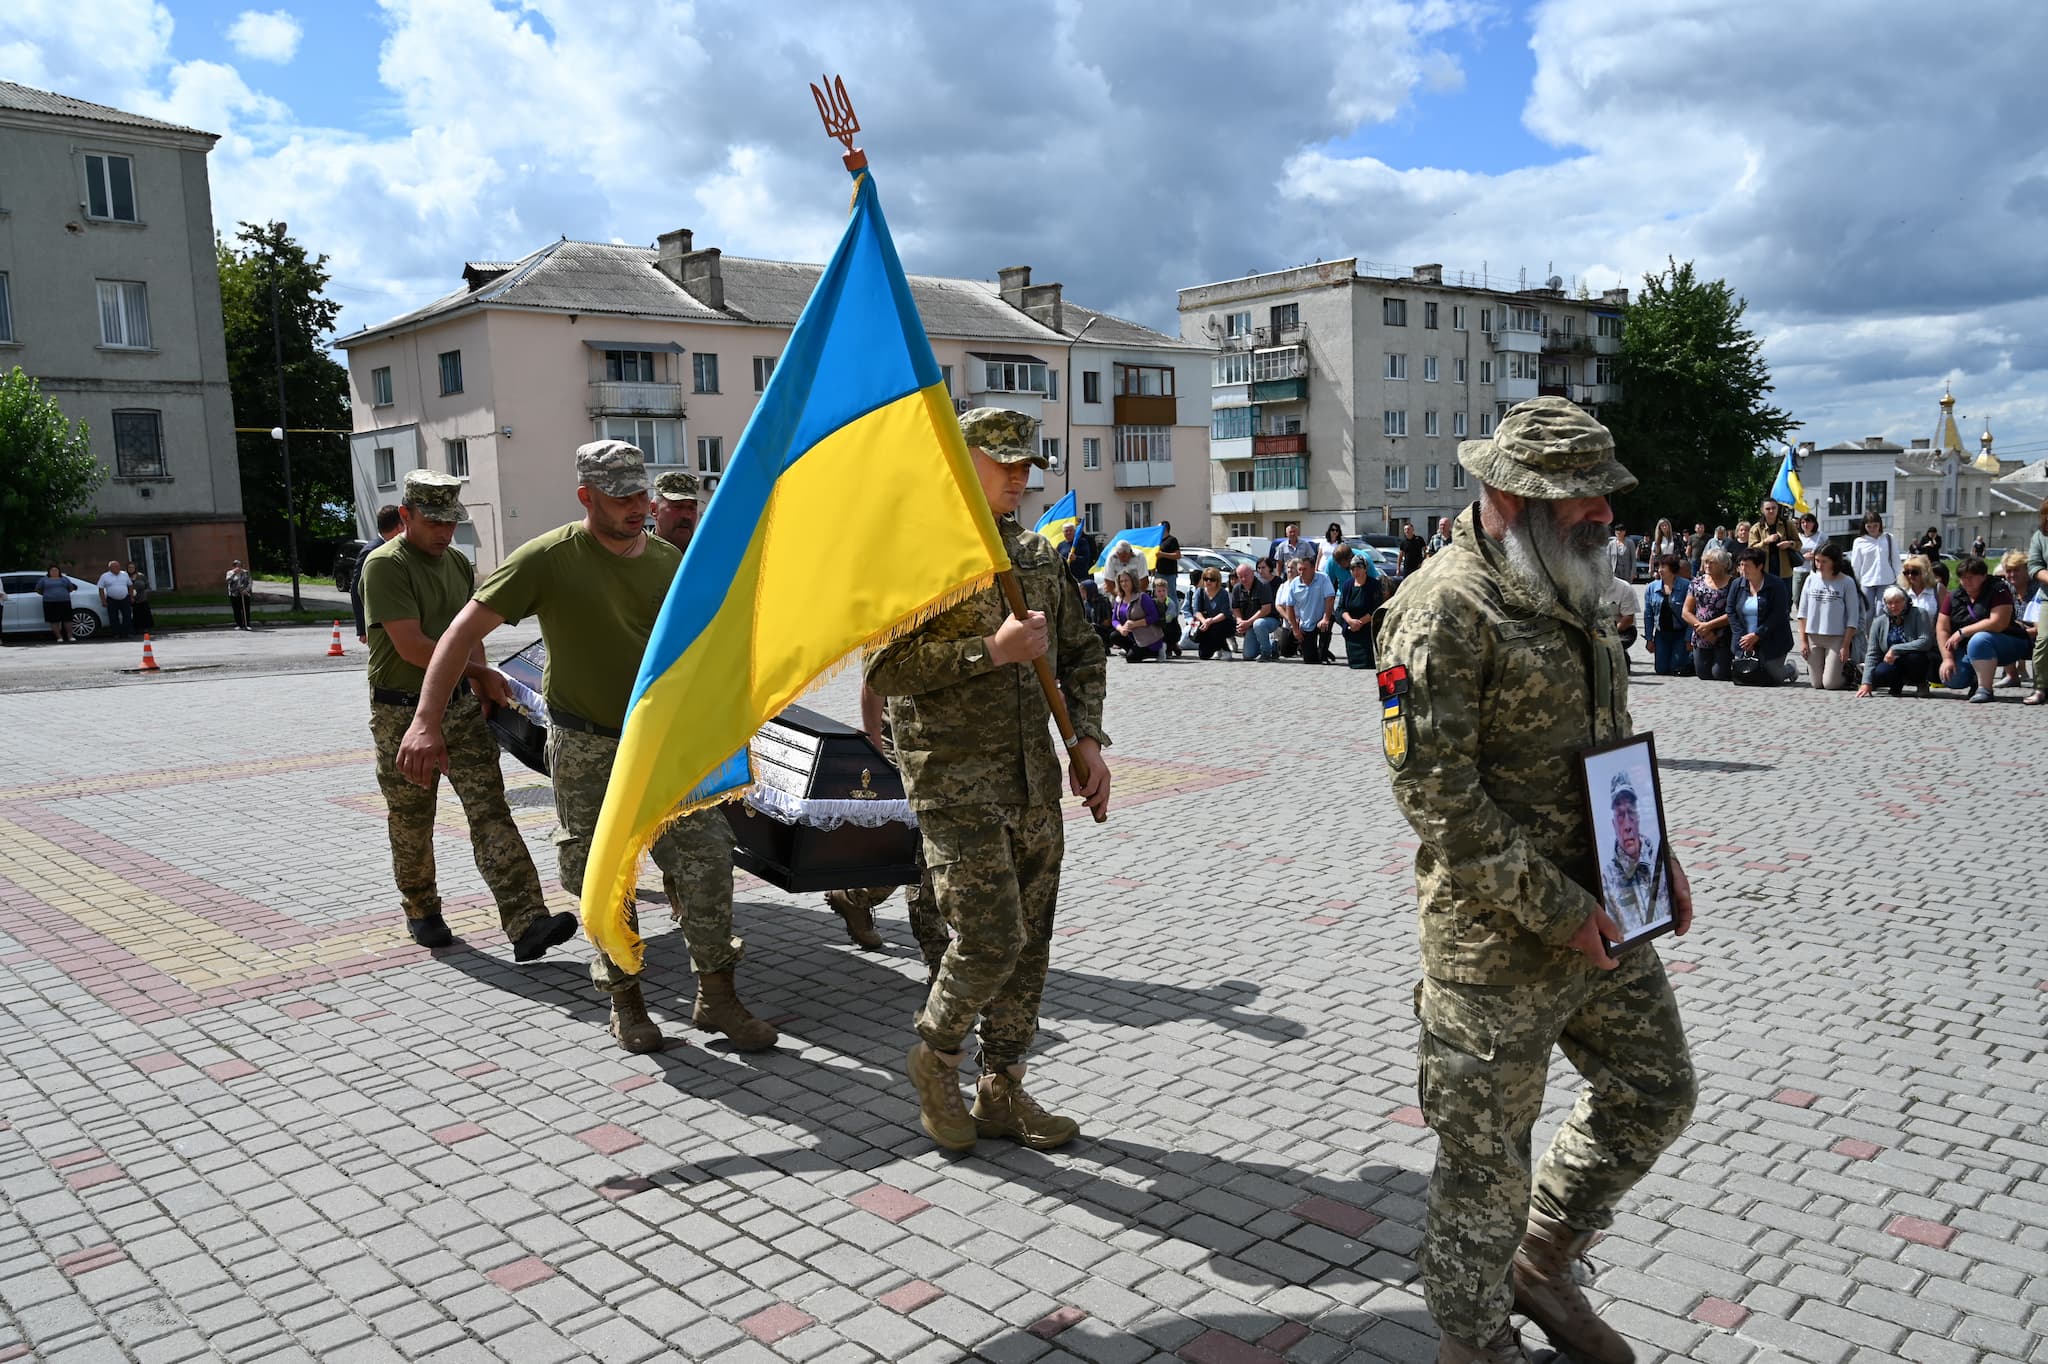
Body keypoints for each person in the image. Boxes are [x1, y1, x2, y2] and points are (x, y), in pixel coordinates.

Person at [1378, 396, 1695, 1364]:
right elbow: (1437, 798)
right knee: (1483, 1167)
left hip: (1604, 910)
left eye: (1604, 498)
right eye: (1579, 501)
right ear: (1507, 496)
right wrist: (1560, 912)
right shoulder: (1440, 610)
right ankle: (1473, 1344)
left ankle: (1544, 1258)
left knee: (1656, 1087)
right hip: (1495, 945)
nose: (1602, 518)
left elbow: (1604, 738)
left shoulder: (1576, 582)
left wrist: (1655, 853)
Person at [397, 439, 776, 1055]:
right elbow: (459, 634)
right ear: (586, 497)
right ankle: (626, 1002)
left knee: (706, 860)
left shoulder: (666, 561)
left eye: (640, 494)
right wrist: (424, 720)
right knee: (603, 875)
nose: (637, 507)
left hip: (665, 746)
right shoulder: (548, 558)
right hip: (586, 747)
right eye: (621, 496)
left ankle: (718, 995)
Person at [864, 406, 1111, 1154]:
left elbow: (1082, 651)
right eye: (998, 461)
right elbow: (886, 670)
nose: (1015, 476)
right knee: (989, 937)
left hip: (1031, 780)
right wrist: (989, 652)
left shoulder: (1033, 554)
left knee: (1029, 944)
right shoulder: (917, 556)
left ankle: (1002, 1087)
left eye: (1023, 464)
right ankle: (934, 1058)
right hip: (953, 781)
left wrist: (1087, 739)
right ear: (958, 463)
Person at [361, 471, 579, 958]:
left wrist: (476, 678)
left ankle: (527, 922)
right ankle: (422, 909)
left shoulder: (457, 563)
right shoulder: (384, 565)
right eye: (434, 521)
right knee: (413, 818)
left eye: (452, 522)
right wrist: (480, 673)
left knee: (490, 810)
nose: (444, 532)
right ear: (406, 517)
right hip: (402, 713)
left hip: (458, 705)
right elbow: (413, 645)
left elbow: (468, 632)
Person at [822, 681, 951, 971]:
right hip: (906, 750)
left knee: (923, 851)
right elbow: (874, 676)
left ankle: (857, 895)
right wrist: (875, 744)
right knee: (925, 857)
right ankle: (937, 960)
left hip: (954, 754)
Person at [1935, 556, 2031, 703]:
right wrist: (1947, 659)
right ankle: (1975, 677)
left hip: (2008, 644)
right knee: (1953, 678)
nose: (1966, 581)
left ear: (1984, 576)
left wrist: (1963, 631)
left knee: (1979, 639)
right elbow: (1942, 628)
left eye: (1971, 577)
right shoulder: (1954, 596)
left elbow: (1998, 623)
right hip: (1968, 648)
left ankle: (1985, 689)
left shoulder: (1998, 589)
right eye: (1962, 577)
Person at [1600, 772, 1662, 939]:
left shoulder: (1658, 861)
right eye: (1620, 816)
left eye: (1631, 813)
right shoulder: (1607, 879)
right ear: (1614, 825)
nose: (1627, 825)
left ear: (1638, 818)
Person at [1795, 543, 1864, 691]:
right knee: (1816, 684)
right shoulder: (1810, 580)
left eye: (1824, 561)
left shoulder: (1846, 582)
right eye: (1817, 560)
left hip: (1836, 638)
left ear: (1834, 561)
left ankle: (1853, 673)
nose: (1819, 565)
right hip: (1814, 636)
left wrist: (1845, 645)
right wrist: (1803, 641)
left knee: (1830, 684)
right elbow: (1802, 613)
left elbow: (1853, 617)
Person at [1727, 547, 1796, 684]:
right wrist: (1743, 638)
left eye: (1747, 566)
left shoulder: (1776, 585)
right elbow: (1730, 611)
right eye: (1741, 565)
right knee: (1745, 674)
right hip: (1744, 639)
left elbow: (1778, 614)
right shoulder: (1736, 584)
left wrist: (1757, 635)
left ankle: (1791, 669)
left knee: (1772, 677)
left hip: (1772, 639)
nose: (1742, 569)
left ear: (1760, 566)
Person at [1856, 587, 1938, 698]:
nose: (1894, 606)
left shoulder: (1919, 614)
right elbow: (1872, 653)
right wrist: (1866, 683)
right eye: (1890, 603)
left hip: (1915, 657)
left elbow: (1925, 641)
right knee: (1880, 673)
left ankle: (1921, 683)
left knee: (1915, 658)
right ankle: (1896, 684)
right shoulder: (1879, 622)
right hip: (1891, 661)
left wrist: (1895, 649)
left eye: (1897, 602)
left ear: (1905, 601)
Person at [1683, 548, 1735, 681]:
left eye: (1712, 563)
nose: (1708, 565)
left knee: (1720, 674)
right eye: (1706, 562)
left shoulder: (1733, 584)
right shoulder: (1696, 583)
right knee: (1703, 675)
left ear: (1724, 565)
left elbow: (1733, 613)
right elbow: (1686, 611)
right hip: (1701, 633)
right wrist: (1703, 629)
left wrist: (1709, 626)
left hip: (1724, 635)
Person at [353, 504, 403, 643]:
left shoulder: (395, 549)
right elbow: (356, 589)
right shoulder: (372, 551)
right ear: (399, 526)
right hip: (378, 625)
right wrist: (362, 629)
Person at [1275, 552, 1335, 663]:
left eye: (1304, 569)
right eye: (1300, 569)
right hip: (1306, 623)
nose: (1301, 572)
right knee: (1309, 659)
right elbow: (1289, 606)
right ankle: (1315, 651)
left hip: (1322, 618)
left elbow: (1330, 598)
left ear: (1313, 569)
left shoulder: (1323, 578)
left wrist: (1325, 618)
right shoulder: (1294, 584)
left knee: (1327, 624)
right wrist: (1296, 629)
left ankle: (1323, 652)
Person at [1641, 555, 1693, 676]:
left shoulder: (1687, 586)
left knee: (1676, 669)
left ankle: (1692, 658)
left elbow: (1692, 613)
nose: (1660, 570)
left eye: (1663, 566)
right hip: (1662, 634)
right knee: (1661, 670)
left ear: (1673, 569)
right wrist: (1649, 639)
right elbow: (1648, 615)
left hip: (1680, 634)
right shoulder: (1651, 588)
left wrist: (1688, 638)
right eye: (1658, 566)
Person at [1849, 513, 1901, 619]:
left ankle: (1881, 634)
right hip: (1867, 581)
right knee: (1867, 612)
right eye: (1869, 526)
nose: (1872, 529)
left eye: (1875, 525)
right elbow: (1856, 564)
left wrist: (1899, 580)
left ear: (1880, 525)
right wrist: (1855, 583)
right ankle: (1868, 635)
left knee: (1881, 611)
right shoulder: (1859, 541)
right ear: (1864, 526)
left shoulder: (1888, 538)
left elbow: (1896, 560)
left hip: (1886, 579)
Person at [1997, 551, 2035, 689]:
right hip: (2020, 633)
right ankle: (2011, 676)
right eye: (2009, 571)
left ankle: (2041, 681)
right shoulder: (2007, 589)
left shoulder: (2039, 590)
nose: (2012, 574)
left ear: (2027, 570)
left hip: (2039, 634)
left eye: (2016, 570)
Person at [1337, 554, 1381, 669]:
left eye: (1358, 568)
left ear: (1365, 569)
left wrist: (1359, 623)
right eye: (1353, 569)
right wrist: (1350, 621)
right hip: (1351, 629)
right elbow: (1341, 608)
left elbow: (1376, 609)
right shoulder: (1347, 585)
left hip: (1367, 629)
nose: (1356, 572)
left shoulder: (1374, 585)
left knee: (1367, 664)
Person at [1109, 571, 1163, 663]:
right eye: (1121, 581)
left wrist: (1135, 624)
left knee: (1131, 658)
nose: (1124, 583)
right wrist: (1121, 629)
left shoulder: (1142, 597)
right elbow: (1114, 620)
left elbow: (1154, 617)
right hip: (1132, 636)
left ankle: (1156, 652)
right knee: (1114, 636)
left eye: (1126, 580)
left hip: (1148, 637)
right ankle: (1133, 649)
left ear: (1133, 581)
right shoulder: (1119, 599)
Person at [1233, 561, 1280, 661]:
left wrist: (1248, 622)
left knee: (1259, 624)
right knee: (1248, 655)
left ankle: (1266, 653)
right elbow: (1235, 608)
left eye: (1246, 575)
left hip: (1268, 620)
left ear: (1253, 573)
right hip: (1249, 624)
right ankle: (1272, 645)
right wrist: (1240, 621)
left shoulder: (1263, 585)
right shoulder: (1237, 588)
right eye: (1240, 576)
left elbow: (1266, 609)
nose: (1243, 579)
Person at [2026, 498, 2048, 706]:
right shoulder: (2040, 537)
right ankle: (2040, 687)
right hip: (2047, 597)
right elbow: (2034, 566)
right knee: (2044, 640)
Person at [1188, 568, 1235, 660]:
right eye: (1206, 579)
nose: (1208, 582)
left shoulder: (1223, 593)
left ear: (1217, 581)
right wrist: (1205, 621)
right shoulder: (1199, 592)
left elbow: (1225, 613)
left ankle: (1225, 650)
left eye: (1212, 579)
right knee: (1203, 655)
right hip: (1205, 623)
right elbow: (1196, 611)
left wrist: (1211, 621)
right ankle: (1216, 649)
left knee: (1216, 628)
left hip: (1222, 622)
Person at [651, 468, 700, 552]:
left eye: (691, 508)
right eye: (678, 506)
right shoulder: (637, 554)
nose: (687, 515)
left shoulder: (708, 554)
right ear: (654, 509)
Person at [1790, 511, 1824, 605]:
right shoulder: (1797, 536)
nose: (1805, 524)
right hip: (1799, 570)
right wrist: (1803, 557)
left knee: (1813, 598)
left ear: (1814, 523)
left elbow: (1828, 551)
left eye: (1808, 522)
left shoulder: (1821, 536)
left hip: (1815, 570)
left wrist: (1817, 556)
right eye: (1803, 522)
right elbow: (1792, 553)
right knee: (1797, 598)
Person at [38, 567, 77, 643]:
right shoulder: (44, 580)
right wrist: (47, 594)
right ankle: (59, 637)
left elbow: (70, 588)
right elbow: (38, 589)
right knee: (54, 620)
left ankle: (70, 636)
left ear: (59, 571)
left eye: (56, 570)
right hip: (49, 602)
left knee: (67, 619)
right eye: (52, 570)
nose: (54, 572)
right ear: (49, 572)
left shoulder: (64, 579)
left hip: (64, 601)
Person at [97, 561, 134, 638]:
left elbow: (130, 585)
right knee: (113, 617)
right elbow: (101, 589)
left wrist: (131, 597)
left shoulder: (124, 574)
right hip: (112, 599)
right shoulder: (105, 576)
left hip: (124, 598)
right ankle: (116, 633)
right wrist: (103, 601)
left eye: (118, 566)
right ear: (110, 568)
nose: (117, 568)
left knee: (127, 615)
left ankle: (127, 632)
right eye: (115, 567)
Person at [1154, 521, 1182, 609]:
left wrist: (1163, 554)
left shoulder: (1172, 540)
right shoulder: (1158, 541)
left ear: (1165, 528)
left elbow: (1178, 555)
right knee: (1159, 594)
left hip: (1170, 573)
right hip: (1159, 572)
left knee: (1171, 595)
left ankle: (1174, 615)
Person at [225, 560, 254, 631]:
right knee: (236, 610)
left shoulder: (245, 572)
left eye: (240, 566)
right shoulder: (230, 573)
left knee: (245, 609)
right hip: (234, 594)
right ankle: (239, 624)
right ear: (233, 566)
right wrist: (234, 574)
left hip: (244, 593)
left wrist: (246, 590)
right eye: (236, 566)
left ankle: (247, 624)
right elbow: (228, 581)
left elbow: (250, 582)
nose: (238, 567)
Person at [127, 563, 154, 635]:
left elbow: (148, 587)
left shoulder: (141, 576)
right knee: (136, 614)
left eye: (132, 567)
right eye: (129, 567)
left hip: (142, 598)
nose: (131, 569)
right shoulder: (125, 577)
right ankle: (137, 629)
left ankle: (148, 628)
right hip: (131, 598)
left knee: (145, 613)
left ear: (135, 568)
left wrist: (145, 592)